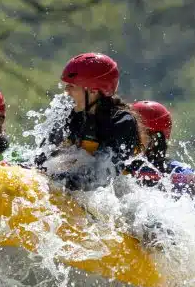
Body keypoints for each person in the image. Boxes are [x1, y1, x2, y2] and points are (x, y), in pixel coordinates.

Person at [34, 52, 145, 191]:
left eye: (72, 87)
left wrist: (62, 182)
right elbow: (42, 158)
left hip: (114, 198)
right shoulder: (69, 116)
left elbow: (105, 173)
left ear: (93, 91)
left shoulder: (122, 122)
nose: (66, 91)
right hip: (75, 189)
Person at [130, 100, 195, 210]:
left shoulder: (179, 171)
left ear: (155, 139)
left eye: (136, 135)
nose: (128, 140)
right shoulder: (116, 164)